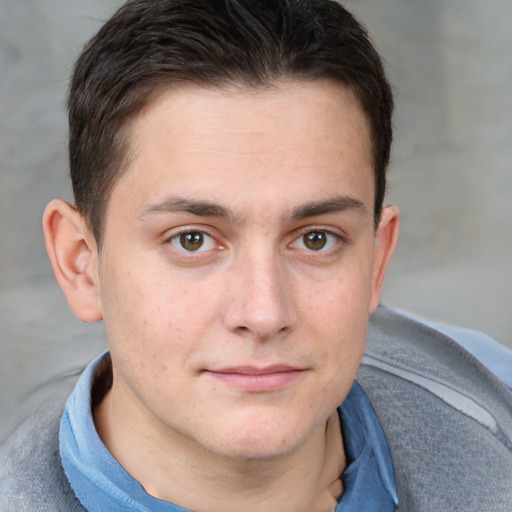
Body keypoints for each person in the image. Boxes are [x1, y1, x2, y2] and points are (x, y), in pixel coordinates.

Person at [1, 0, 511, 510]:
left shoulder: (494, 403)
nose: (264, 313)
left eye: (316, 239)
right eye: (192, 240)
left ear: (376, 262)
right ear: (80, 264)